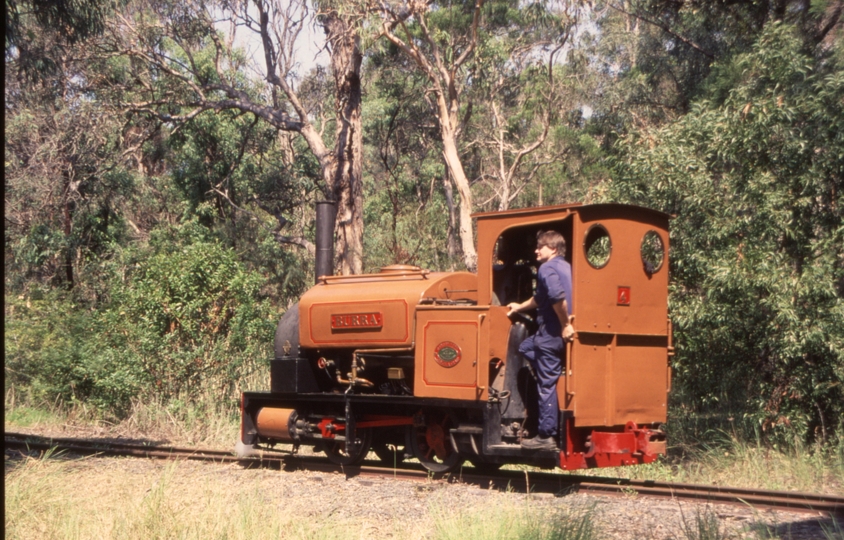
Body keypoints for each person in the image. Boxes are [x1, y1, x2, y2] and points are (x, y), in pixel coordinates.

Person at [507, 230, 574, 450]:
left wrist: (566, 325)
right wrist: (520, 306)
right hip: (548, 337)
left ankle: (546, 436)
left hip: (552, 335)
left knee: (546, 385)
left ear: (553, 249)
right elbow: (541, 298)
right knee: (526, 347)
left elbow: (557, 298)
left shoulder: (547, 268)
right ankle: (551, 372)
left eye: (540, 246)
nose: (536, 250)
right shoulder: (567, 267)